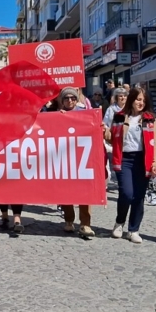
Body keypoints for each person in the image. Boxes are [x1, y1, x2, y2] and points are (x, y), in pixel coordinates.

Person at [107, 87, 156, 244]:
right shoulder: (119, 117)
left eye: (144, 100)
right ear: (131, 99)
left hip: (142, 159)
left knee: (138, 197)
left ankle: (133, 230)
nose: (141, 103)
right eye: (138, 99)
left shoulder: (150, 119)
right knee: (126, 193)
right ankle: (119, 222)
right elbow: (112, 137)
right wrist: (103, 131)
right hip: (124, 159)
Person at [55, 87, 95, 236]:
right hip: (64, 158)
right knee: (66, 191)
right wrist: (59, 118)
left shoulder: (85, 113)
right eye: (66, 98)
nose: (70, 100)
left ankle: (85, 224)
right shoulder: (58, 114)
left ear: (77, 99)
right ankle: (69, 220)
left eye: (72, 98)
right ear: (62, 100)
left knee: (85, 192)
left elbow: (93, 127)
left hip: (82, 157)